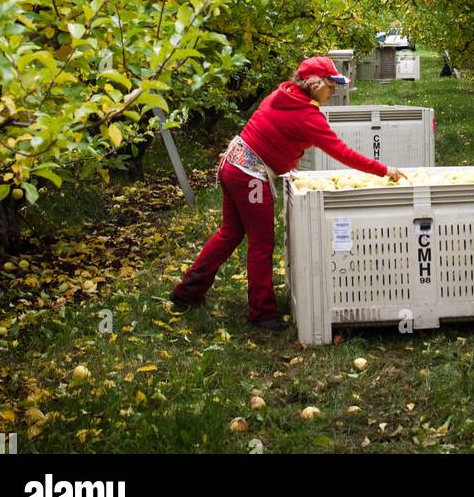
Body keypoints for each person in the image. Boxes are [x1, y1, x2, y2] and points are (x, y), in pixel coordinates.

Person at [170, 56, 405, 329]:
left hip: (233, 162)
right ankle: (262, 312)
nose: (333, 93)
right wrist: (383, 170)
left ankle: (187, 292)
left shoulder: (282, 93)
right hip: (250, 177)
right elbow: (343, 153)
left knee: (230, 232)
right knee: (262, 243)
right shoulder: (308, 117)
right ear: (316, 84)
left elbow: (274, 133)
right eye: (331, 87)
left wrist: (285, 162)